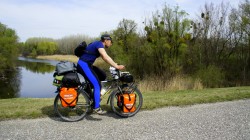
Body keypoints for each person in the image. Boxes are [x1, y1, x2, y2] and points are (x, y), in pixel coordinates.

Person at [77, 34, 125, 115]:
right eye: (110, 41)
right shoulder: (99, 44)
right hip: (84, 65)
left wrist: (114, 64)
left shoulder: (97, 44)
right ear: (105, 40)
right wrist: (116, 66)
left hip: (86, 64)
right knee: (97, 85)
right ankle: (96, 107)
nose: (111, 43)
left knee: (102, 75)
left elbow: (105, 58)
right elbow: (105, 56)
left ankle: (93, 97)